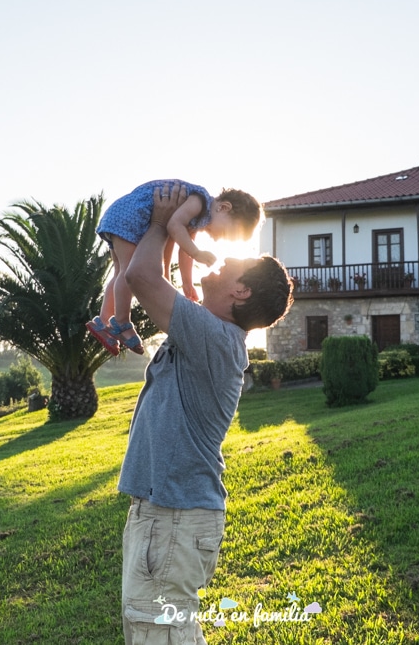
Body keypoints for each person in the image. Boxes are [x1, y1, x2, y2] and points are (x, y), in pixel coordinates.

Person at [118, 182, 293, 644]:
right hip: (167, 512)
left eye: (235, 261)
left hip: (173, 515)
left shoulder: (214, 337)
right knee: (163, 630)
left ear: (240, 290)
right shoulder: (209, 331)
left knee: (158, 632)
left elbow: (141, 277)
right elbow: (162, 279)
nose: (223, 258)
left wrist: (162, 221)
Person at [87, 179, 261, 356]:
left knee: (119, 272)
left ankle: (103, 321)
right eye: (224, 233)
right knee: (127, 270)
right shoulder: (199, 201)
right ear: (223, 207)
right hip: (129, 217)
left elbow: (181, 246)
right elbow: (173, 226)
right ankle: (122, 322)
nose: (217, 238)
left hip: (121, 216)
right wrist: (197, 253)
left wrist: (187, 283)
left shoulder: (197, 217)